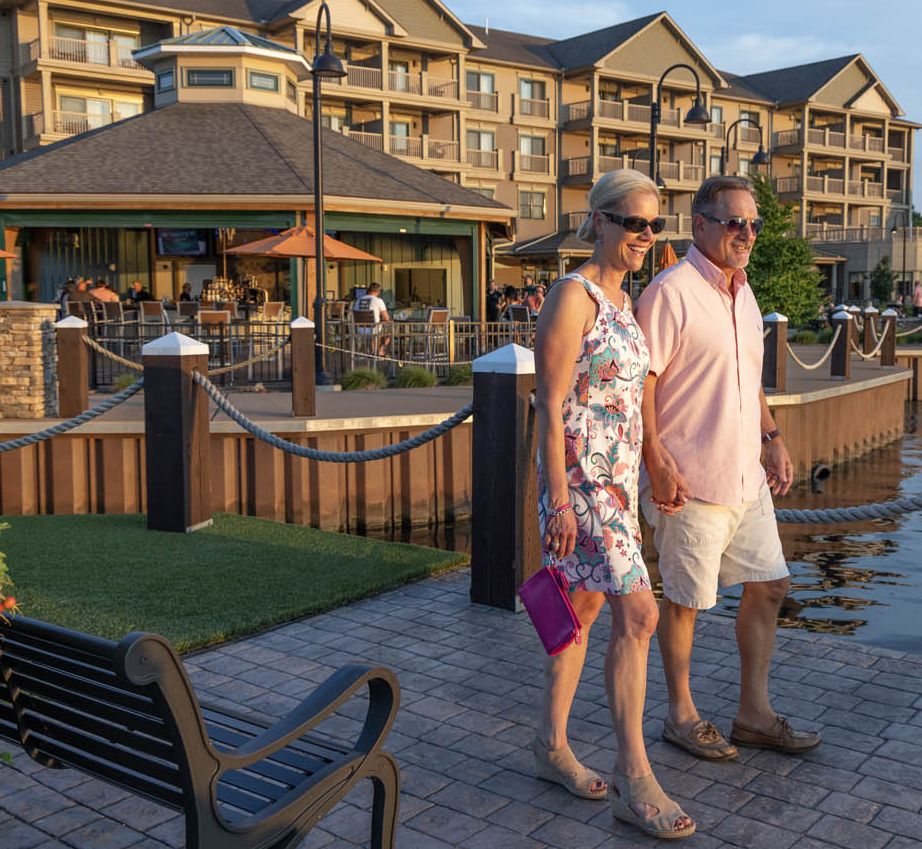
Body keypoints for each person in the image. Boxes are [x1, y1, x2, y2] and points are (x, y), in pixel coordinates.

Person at [636, 175, 822, 763]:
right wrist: (657, 460)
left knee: (770, 586)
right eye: (734, 222)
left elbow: (751, 379)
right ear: (701, 224)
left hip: (746, 475)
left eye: (753, 224)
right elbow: (641, 384)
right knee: (686, 601)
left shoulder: (744, 294)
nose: (746, 233)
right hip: (690, 481)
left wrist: (772, 437)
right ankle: (681, 715)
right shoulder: (670, 292)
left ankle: (753, 715)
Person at [533, 168, 695, 840]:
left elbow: (633, 398)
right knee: (641, 610)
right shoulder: (573, 295)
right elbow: (548, 403)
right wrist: (558, 501)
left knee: (586, 606)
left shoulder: (623, 303)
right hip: (582, 482)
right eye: (632, 221)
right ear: (597, 220)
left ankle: (549, 745)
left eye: (654, 224)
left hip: (618, 481)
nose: (644, 234)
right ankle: (635, 773)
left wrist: (655, 460)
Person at [353, 282, 391, 357]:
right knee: (389, 332)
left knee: (374, 331)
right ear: (378, 291)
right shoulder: (378, 300)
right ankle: (380, 351)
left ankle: (373, 351)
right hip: (373, 329)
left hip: (360, 330)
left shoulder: (358, 300)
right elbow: (386, 318)